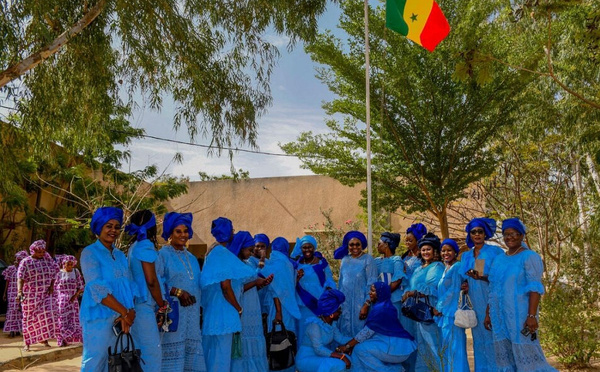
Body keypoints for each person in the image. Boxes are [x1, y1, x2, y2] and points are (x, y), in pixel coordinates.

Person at [485, 218, 557, 371]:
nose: (509, 237)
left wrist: (531, 316)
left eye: (513, 234)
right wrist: (488, 313)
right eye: (506, 234)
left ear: (522, 235)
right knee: (505, 356)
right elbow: (493, 289)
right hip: (499, 317)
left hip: (521, 317)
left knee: (527, 356)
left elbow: (535, 288)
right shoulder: (499, 260)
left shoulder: (529, 257)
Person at [80, 207, 137, 371]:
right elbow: (97, 288)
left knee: (117, 363)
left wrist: (129, 312)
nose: (113, 230)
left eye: (117, 227)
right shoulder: (89, 253)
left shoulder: (120, 255)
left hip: (122, 320)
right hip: (99, 318)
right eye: (108, 226)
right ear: (99, 228)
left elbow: (128, 286)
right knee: (95, 362)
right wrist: (125, 312)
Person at [201, 223, 256, 372]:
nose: (234, 232)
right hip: (224, 315)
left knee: (213, 357)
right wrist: (238, 308)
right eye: (231, 229)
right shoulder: (221, 253)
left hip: (214, 314)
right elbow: (225, 286)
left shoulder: (213, 252)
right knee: (221, 360)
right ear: (227, 232)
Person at [159, 211, 207, 371]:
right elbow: (157, 283)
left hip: (192, 317)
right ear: (170, 233)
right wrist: (177, 292)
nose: (183, 235)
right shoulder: (162, 255)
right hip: (173, 317)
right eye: (178, 231)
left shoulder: (192, 258)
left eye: (186, 231)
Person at [337, 282, 416, 372]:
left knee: (360, 349)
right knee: (361, 348)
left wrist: (347, 346)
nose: (369, 293)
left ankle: (393, 370)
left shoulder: (381, 309)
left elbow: (365, 333)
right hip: (398, 346)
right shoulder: (386, 305)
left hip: (396, 348)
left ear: (381, 293)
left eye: (373, 291)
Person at [126, 210, 168, 370]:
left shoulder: (134, 245)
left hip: (137, 305)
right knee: (152, 355)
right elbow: (151, 281)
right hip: (145, 306)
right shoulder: (145, 245)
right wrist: (162, 304)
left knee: (142, 353)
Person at [461, 217, 503, 371]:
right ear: (470, 235)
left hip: (491, 299)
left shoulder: (495, 252)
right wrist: (464, 285)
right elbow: (463, 277)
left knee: (494, 340)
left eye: (480, 231)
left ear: (485, 234)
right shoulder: (466, 256)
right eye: (474, 232)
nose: (477, 234)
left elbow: (499, 278)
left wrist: (482, 277)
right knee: (478, 343)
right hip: (474, 304)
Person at [402, 232, 445, 372]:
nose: (425, 252)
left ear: (434, 251)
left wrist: (411, 293)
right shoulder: (419, 268)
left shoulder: (437, 266)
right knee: (422, 346)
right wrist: (407, 292)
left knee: (433, 346)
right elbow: (411, 284)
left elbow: (431, 288)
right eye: (423, 249)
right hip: (418, 313)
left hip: (430, 312)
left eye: (428, 249)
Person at [231, 231, 273, 372]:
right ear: (241, 248)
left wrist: (261, 283)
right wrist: (255, 282)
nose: (251, 253)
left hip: (253, 305)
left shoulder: (245, 264)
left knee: (255, 338)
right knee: (245, 340)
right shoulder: (234, 264)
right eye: (249, 249)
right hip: (243, 307)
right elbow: (235, 289)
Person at [260, 237, 302, 372]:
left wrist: (278, 312)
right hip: (289, 308)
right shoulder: (288, 264)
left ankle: (277, 367)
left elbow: (275, 290)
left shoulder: (275, 264)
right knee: (288, 339)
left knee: (276, 340)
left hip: (277, 308)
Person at [16, 240, 59, 351]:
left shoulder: (48, 261)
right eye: (38, 251)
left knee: (46, 315)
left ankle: (44, 339)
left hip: (45, 294)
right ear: (32, 250)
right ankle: (27, 342)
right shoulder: (26, 262)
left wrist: (51, 286)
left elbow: (55, 273)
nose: (41, 254)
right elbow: (20, 277)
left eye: (43, 251)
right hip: (30, 295)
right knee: (28, 318)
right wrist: (19, 291)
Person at [334, 231, 377, 338]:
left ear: (362, 244)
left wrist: (366, 305)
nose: (355, 247)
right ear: (347, 246)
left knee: (360, 332)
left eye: (357, 244)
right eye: (351, 244)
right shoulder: (345, 260)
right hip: (345, 303)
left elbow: (372, 283)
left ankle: (359, 354)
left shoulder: (368, 259)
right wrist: (338, 302)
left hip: (361, 303)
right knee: (344, 330)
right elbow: (341, 282)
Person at [296, 289, 352, 372]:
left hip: (320, 357)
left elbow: (341, 339)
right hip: (306, 359)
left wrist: (357, 340)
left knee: (348, 359)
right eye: (338, 310)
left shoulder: (331, 324)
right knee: (337, 364)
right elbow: (319, 349)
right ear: (331, 314)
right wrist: (341, 357)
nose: (340, 312)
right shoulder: (314, 325)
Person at [294, 235, 336, 343]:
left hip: (318, 302)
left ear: (314, 248)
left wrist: (328, 292)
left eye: (310, 247)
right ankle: (304, 355)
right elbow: (291, 284)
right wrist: (297, 278)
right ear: (301, 249)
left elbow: (329, 280)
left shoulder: (321, 263)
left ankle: (320, 353)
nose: (307, 250)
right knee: (304, 329)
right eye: (304, 247)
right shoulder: (296, 264)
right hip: (303, 302)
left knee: (318, 329)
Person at [435, 239, 469, 372]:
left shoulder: (457, 267)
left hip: (452, 314)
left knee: (456, 349)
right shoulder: (446, 268)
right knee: (448, 349)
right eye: (443, 250)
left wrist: (439, 307)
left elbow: (454, 291)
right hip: (446, 315)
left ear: (456, 252)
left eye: (449, 250)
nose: (445, 253)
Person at [400, 223, 427, 372]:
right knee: (407, 332)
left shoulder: (422, 257)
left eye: (410, 240)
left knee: (418, 333)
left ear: (417, 240)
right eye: (406, 240)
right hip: (405, 299)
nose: (407, 243)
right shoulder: (404, 257)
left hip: (417, 297)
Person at [54, 255, 84, 347]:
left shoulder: (76, 272)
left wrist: (75, 296)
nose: (70, 266)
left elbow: (81, 286)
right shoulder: (59, 273)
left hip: (73, 301)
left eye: (71, 264)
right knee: (62, 320)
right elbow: (55, 287)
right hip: (61, 301)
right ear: (64, 263)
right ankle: (61, 340)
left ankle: (69, 339)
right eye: (68, 264)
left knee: (73, 320)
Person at [374, 232, 406, 315]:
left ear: (386, 244)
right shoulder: (376, 261)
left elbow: (398, 280)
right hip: (379, 301)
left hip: (393, 300)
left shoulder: (397, 260)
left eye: (379, 244)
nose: (377, 246)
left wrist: (384, 294)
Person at [2, 250, 28, 337]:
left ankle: (18, 329)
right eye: (17, 259)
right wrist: (5, 293)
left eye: (20, 259)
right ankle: (11, 330)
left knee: (19, 309)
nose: (18, 261)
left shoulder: (25, 270)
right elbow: (7, 281)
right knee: (12, 309)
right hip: (11, 292)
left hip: (21, 293)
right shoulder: (10, 269)